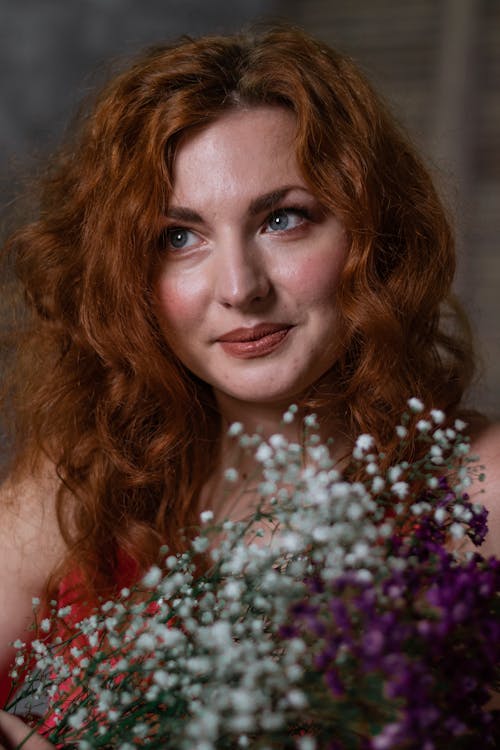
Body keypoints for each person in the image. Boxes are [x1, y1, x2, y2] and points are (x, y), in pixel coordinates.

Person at [0, 23, 499, 744]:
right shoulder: (81, 475)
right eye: (178, 237)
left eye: (283, 219)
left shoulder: (473, 490)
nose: (239, 288)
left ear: (371, 233)